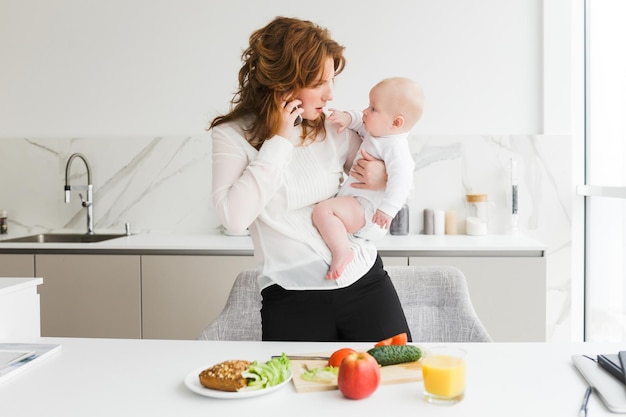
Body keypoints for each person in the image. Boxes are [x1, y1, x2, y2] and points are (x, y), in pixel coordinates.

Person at [209, 16, 411, 342]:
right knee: (297, 392)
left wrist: (382, 176)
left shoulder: (333, 127)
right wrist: (280, 141)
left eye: (332, 81)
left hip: (365, 285)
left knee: (398, 383)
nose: (330, 94)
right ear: (284, 82)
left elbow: (400, 174)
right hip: (291, 297)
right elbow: (234, 218)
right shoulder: (232, 136)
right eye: (319, 83)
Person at [313, 77, 425, 279]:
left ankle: (343, 252)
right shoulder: (379, 133)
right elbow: (359, 120)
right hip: (357, 205)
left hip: (367, 211)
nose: (365, 111)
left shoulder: (395, 148)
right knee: (326, 211)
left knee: (324, 210)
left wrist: (387, 210)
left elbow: (402, 181)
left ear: (396, 122)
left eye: (373, 108)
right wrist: (347, 118)